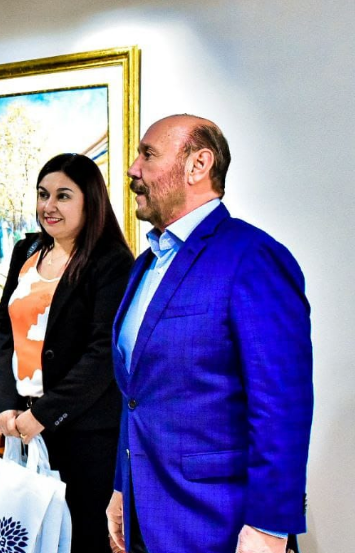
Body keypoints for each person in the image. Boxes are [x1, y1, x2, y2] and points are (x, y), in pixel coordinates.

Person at [105, 114, 313, 553]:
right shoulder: (145, 264)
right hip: (145, 513)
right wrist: (123, 487)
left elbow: (282, 407)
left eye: (148, 155)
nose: (133, 168)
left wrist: (269, 526)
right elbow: (137, 395)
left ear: (198, 165)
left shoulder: (253, 257)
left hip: (216, 521)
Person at [0, 153, 133, 552]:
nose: (49, 206)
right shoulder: (27, 250)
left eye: (63, 196)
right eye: (43, 194)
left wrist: (44, 414)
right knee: (32, 540)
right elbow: (0, 328)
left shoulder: (111, 262)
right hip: (22, 424)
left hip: (83, 432)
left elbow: (102, 354)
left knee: (81, 539)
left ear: (90, 201)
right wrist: (3, 404)